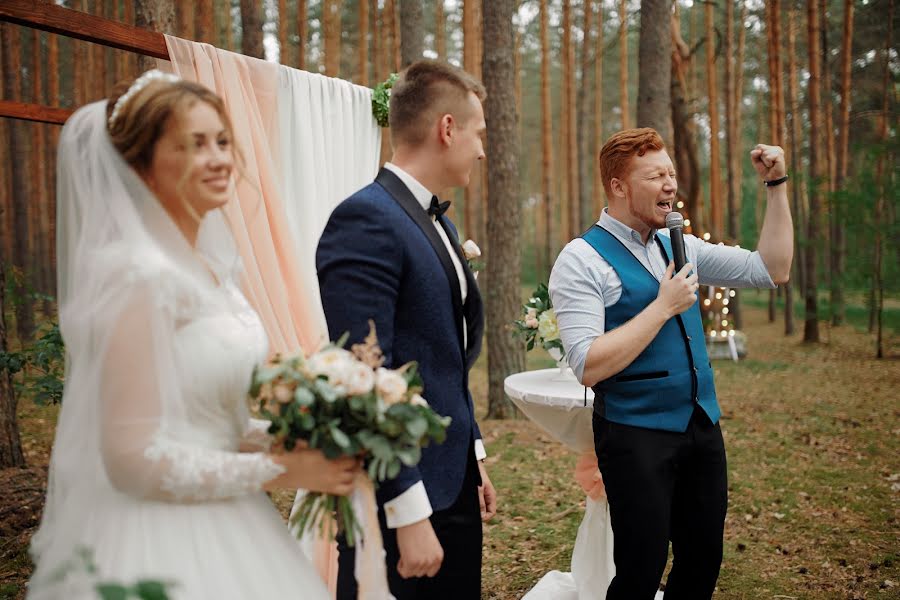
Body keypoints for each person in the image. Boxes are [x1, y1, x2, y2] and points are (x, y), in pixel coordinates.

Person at [27, 71, 361, 599]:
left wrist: (282, 435)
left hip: (230, 521)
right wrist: (280, 469)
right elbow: (131, 457)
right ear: (140, 165)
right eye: (194, 144)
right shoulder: (135, 276)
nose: (219, 158)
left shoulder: (209, 272)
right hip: (153, 540)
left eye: (223, 141)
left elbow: (201, 420)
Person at [549, 128, 793, 600]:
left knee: (703, 561)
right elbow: (587, 365)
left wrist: (776, 187)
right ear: (618, 186)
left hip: (701, 426)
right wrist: (662, 306)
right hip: (634, 434)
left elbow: (772, 269)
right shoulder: (581, 259)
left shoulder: (678, 244)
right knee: (640, 570)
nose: (670, 184)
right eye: (655, 175)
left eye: (672, 173)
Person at [316, 60, 498, 599]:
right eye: (478, 134)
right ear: (447, 128)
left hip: (451, 477)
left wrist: (473, 457)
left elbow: (440, 357)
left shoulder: (438, 221)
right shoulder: (366, 219)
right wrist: (408, 509)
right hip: (402, 500)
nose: (482, 150)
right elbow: (366, 374)